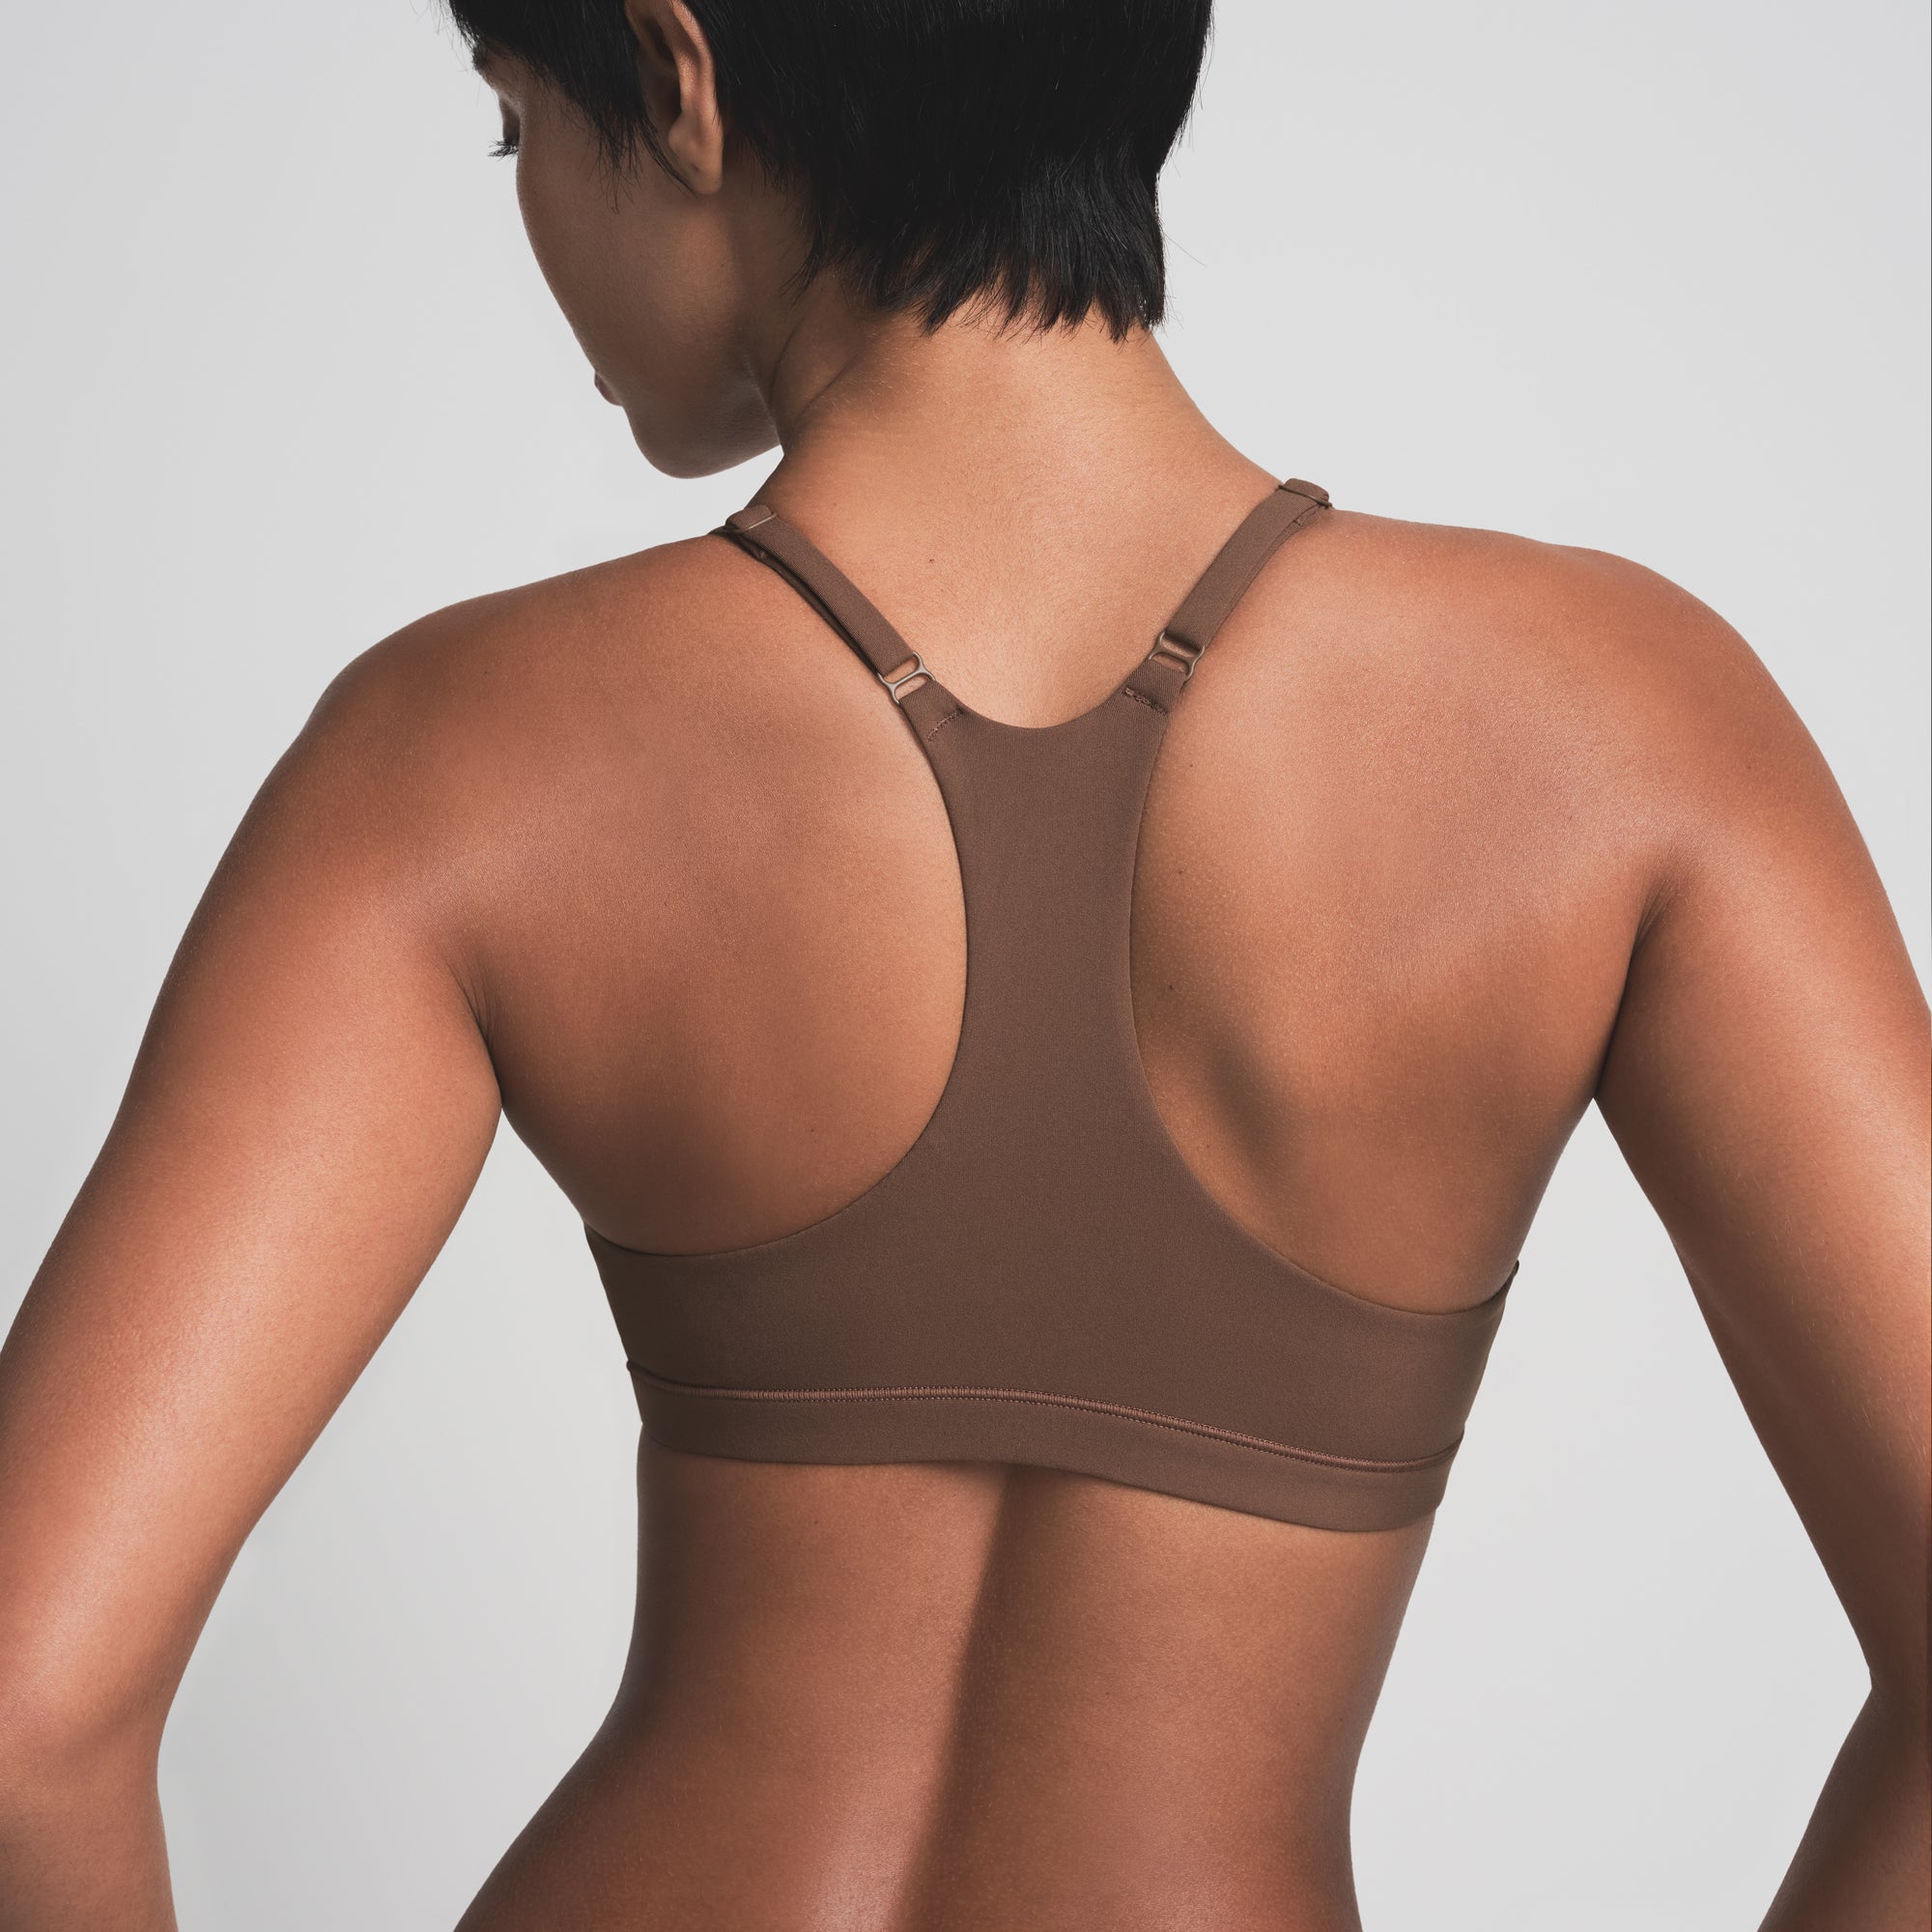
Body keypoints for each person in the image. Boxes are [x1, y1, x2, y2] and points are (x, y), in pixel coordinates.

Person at [0, 1, 1923, 1926]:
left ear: (674, 80)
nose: (526, 209)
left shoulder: (456, 752)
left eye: (517, 126)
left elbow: (26, 1723)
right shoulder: (1615, 731)